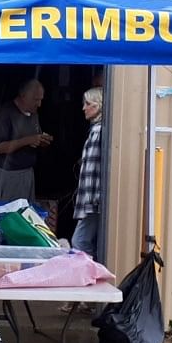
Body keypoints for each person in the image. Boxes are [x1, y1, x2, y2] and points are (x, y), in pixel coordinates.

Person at [0, 78, 53, 202]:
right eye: (36, 100)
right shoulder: (4, 113)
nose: (39, 104)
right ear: (23, 96)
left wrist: (42, 141)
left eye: (41, 99)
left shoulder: (34, 113)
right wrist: (28, 140)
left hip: (28, 173)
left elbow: (35, 136)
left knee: (26, 215)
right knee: (10, 216)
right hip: (9, 175)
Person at [72, 87, 104, 258]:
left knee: (80, 241)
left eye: (88, 104)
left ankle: (90, 274)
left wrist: (92, 200)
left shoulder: (98, 132)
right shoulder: (97, 131)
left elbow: (94, 170)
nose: (84, 108)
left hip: (93, 200)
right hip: (93, 199)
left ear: (98, 106)